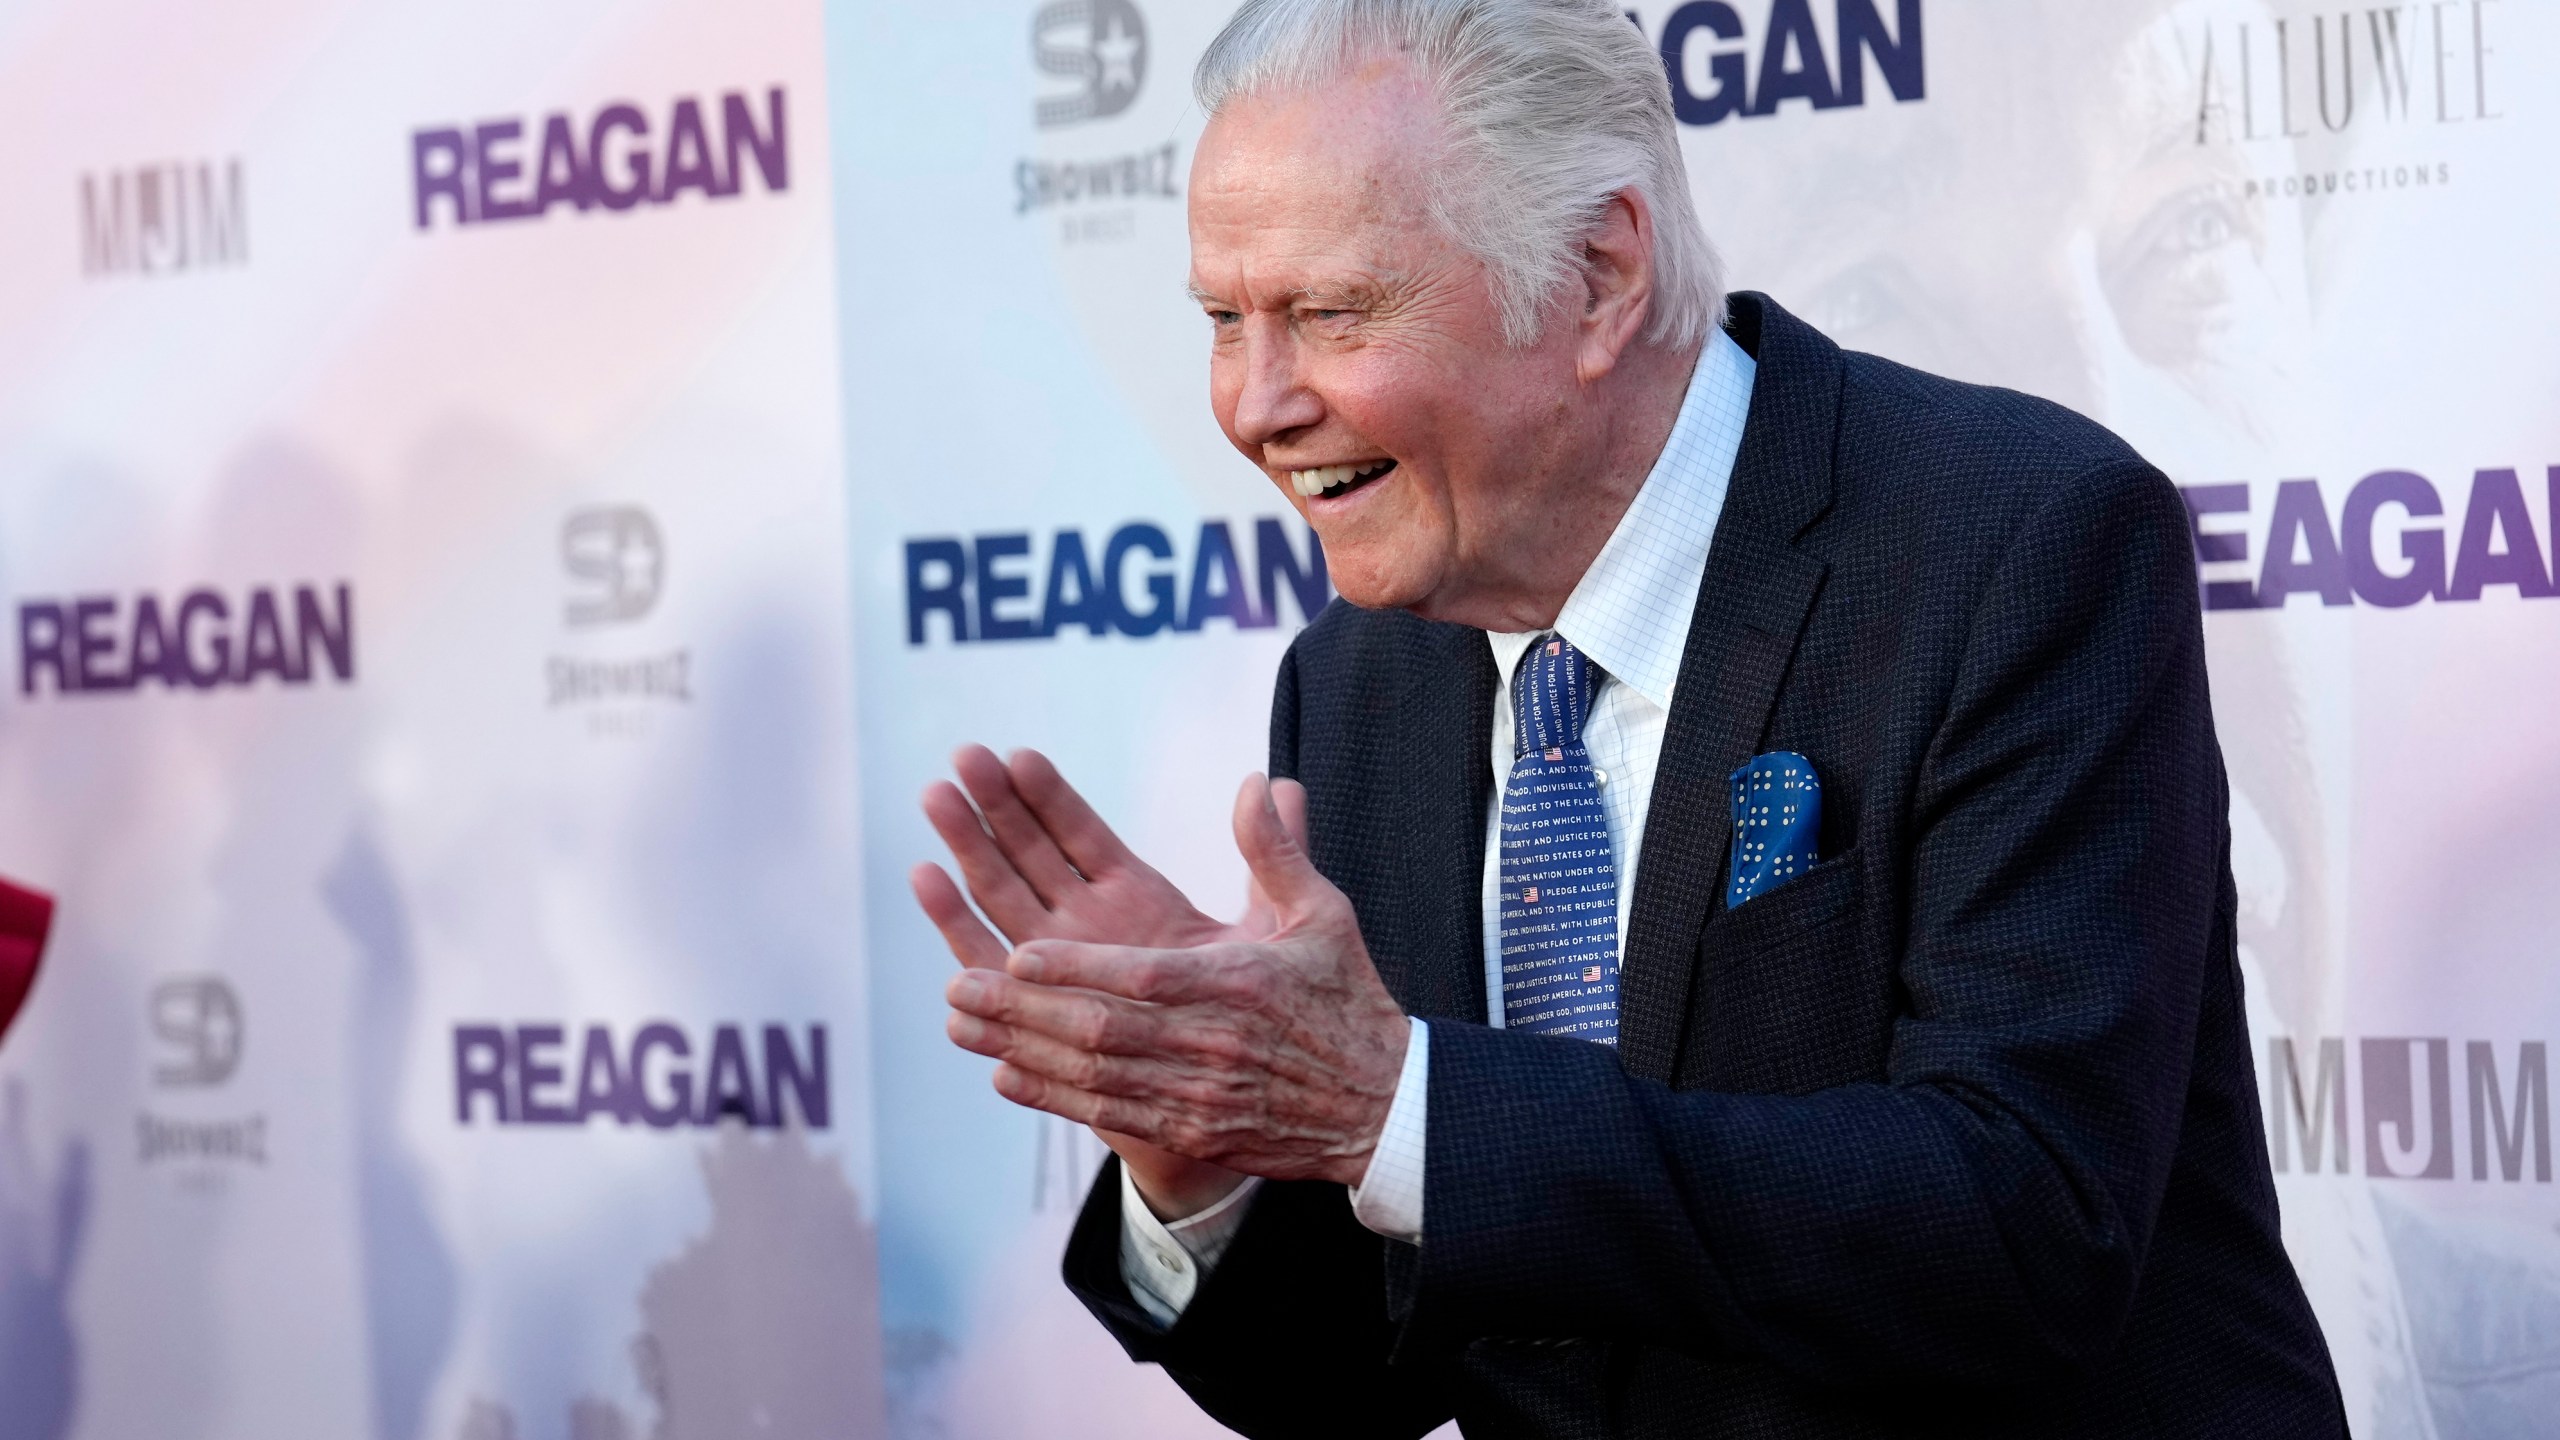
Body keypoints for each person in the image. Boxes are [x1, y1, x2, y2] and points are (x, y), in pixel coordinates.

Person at [914, 0, 2346, 1433]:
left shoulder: (2017, 546)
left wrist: (1399, 1108)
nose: (1255, 404)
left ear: (1597, 276)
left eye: (1331, 314)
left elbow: (2028, 1228)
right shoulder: (1357, 682)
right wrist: (1212, 1152)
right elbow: (1361, 1374)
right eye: (1227, 322)